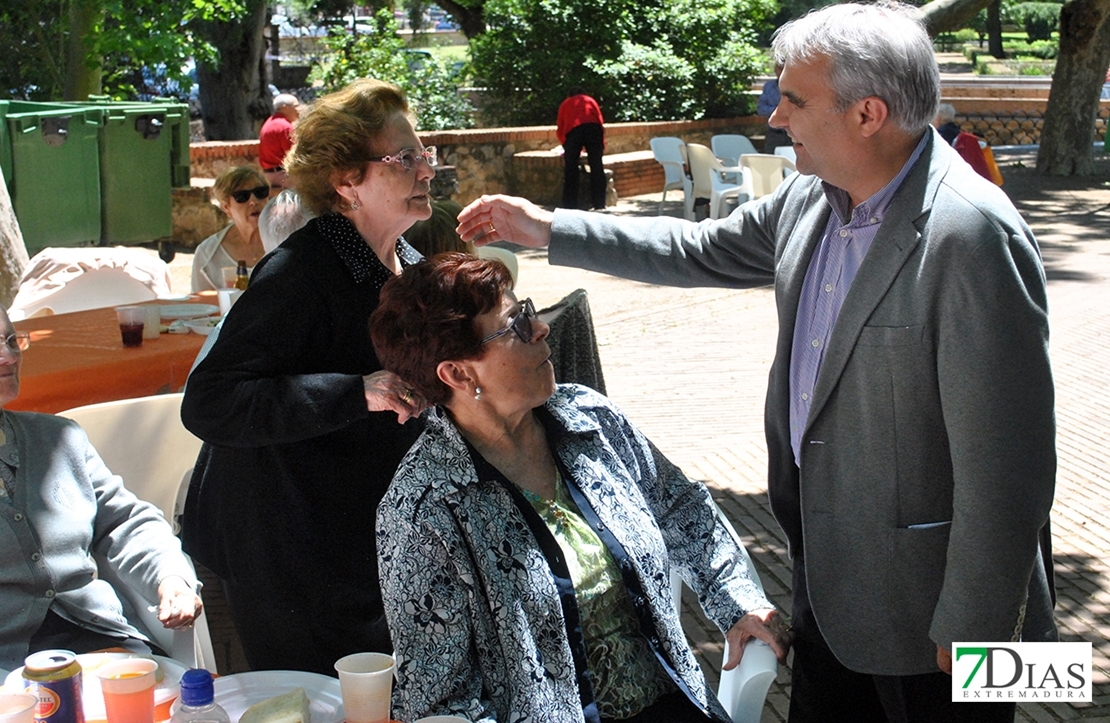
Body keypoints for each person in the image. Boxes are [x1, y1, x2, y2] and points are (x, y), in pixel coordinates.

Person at [456, 4, 1057, 721]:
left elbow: (1010, 470)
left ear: (868, 113)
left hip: (941, 621)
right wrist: (549, 228)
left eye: (793, 100)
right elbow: (698, 249)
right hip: (829, 594)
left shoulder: (974, 234)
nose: (776, 119)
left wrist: (976, 630)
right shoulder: (810, 196)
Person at [370, 254, 791, 723]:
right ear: (459, 374)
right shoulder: (422, 509)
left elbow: (684, 510)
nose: (543, 328)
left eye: (528, 310)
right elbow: (441, 699)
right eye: (517, 324)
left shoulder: (591, 420)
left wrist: (738, 601)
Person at [180, 78, 435, 675]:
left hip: (363, 542)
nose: (427, 169)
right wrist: (355, 391)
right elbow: (211, 402)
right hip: (285, 548)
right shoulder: (303, 270)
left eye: (425, 154)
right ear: (347, 182)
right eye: (406, 159)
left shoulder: (410, 264)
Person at [0, 306, 201, 670]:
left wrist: (171, 576)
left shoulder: (57, 439)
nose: (9, 356)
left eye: (12, 341)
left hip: (102, 645)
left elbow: (125, 521)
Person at [191, 166, 269, 292]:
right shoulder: (208, 255)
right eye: (242, 196)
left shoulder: (287, 239)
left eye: (260, 192)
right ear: (226, 207)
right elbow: (201, 306)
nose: (253, 201)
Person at [557, 87, 606, 210]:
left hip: (574, 131)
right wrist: (601, 144)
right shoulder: (590, 100)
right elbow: (600, 121)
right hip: (593, 129)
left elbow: (561, 126)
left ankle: (570, 204)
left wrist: (566, 145)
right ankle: (599, 203)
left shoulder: (566, 103)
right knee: (597, 165)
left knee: (571, 168)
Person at [259, 93, 301, 190]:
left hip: (270, 174)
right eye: (296, 106)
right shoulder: (284, 126)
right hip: (282, 175)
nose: (299, 109)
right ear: (284, 108)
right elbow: (293, 154)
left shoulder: (270, 122)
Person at [756, 64, 791, 153]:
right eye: (778, 68)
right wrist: (779, 110)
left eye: (783, 68)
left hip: (792, 134)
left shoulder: (796, 87)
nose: (780, 71)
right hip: (774, 134)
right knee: (770, 161)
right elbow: (761, 109)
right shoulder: (769, 87)